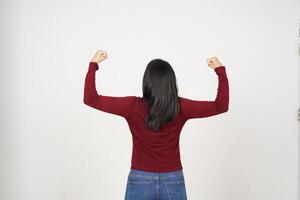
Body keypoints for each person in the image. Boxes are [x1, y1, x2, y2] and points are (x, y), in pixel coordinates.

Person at [83, 49, 229, 200]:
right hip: (173, 179)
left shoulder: (132, 106)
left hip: (140, 179)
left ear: (147, 81)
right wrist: (220, 71)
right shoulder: (181, 107)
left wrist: (93, 64)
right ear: (171, 82)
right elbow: (221, 106)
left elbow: (91, 99)